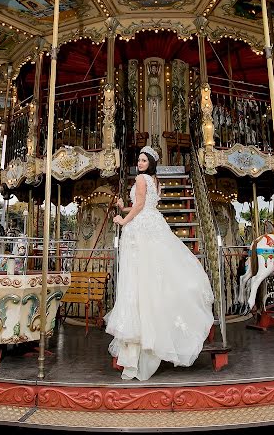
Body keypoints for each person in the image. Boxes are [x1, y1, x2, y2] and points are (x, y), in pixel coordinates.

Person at [105, 146, 214, 381]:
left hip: (140, 229)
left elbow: (141, 205)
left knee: (138, 277)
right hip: (152, 224)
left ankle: (140, 338)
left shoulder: (142, 178)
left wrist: (123, 219)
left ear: (151, 163)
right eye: (139, 160)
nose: (140, 162)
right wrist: (124, 206)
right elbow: (145, 205)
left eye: (144, 160)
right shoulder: (156, 181)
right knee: (152, 274)